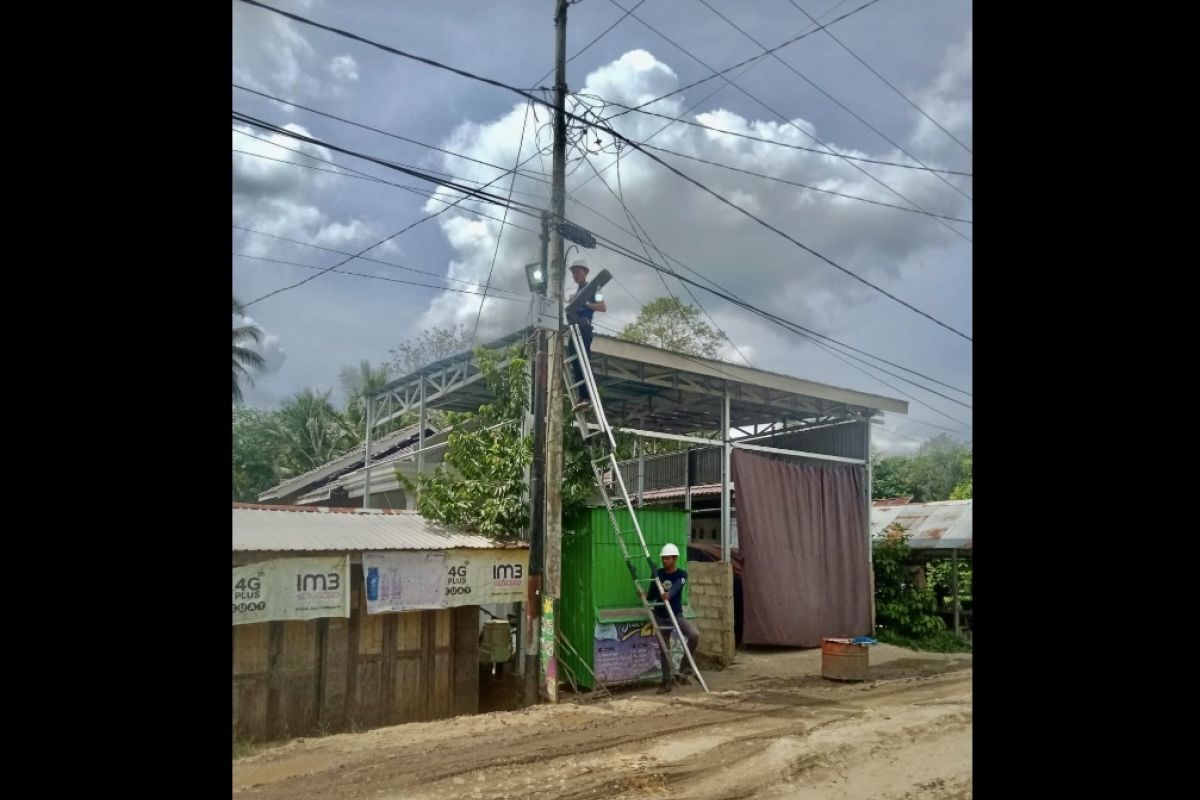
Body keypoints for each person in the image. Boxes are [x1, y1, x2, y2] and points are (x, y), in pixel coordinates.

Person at [646, 542, 700, 693]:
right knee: (665, 649)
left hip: (675, 615)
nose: (665, 561)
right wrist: (645, 595)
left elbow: (676, 587)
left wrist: (668, 595)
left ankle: (684, 668)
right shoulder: (658, 574)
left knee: (694, 634)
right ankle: (666, 682)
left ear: (675, 559)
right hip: (660, 616)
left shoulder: (682, 574)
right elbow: (652, 594)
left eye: (668, 558)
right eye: (663, 558)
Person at [566, 258, 605, 413]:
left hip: (585, 327)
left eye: (578, 272)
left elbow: (602, 307)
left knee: (584, 360)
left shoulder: (595, 289)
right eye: (574, 273)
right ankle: (582, 397)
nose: (576, 275)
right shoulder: (575, 293)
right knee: (575, 361)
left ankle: (588, 397)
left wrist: (585, 304)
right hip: (575, 328)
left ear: (585, 272)